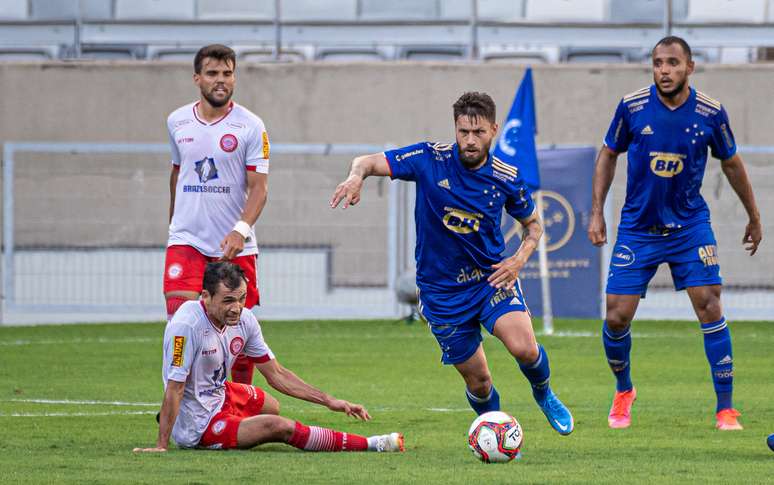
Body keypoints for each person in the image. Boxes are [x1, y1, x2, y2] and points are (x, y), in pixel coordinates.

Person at [330, 92, 574, 436]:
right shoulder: (429, 158)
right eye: (463, 132)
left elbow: (533, 226)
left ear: (493, 129)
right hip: (441, 292)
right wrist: (357, 177)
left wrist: (518, 261)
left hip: (490, 280)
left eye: (478, 132)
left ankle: (544, 393)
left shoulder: (505, 176)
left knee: (524, 348)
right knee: (480, 381)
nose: (470, 140)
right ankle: (497, 432)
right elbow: (366, 161)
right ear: (455, 129)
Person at [589, 36, 762, 431]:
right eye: (657, 63)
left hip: (689, 227)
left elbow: (732, 164)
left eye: (672, 63)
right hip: (638, 228)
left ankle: (725, 409)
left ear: (690, 67)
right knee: (616, 317)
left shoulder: (711, 113)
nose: (663, 70)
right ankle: (623, 390)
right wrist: (596, 211)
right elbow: (607, 155)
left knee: (710, 305)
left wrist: (753, 215)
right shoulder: (632, 106)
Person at [134, 261, 404, 453]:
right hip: (200, 422)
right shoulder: (185, 327)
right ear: (205, 296)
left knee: (271, 406)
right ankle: (372, 443)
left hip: (221, 393)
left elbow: (276, 373)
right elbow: (176, 386)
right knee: (279, 426)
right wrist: (161, 445)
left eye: (241, 298)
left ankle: (228, 420)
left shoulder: (245, 319)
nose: (236, 308)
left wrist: (329, 400)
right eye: (228, 300)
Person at [164, 44, 269, 385]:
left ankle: (235, 405)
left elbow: (259, 188)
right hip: (187, 241)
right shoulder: (176, 121)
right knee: (180, 325)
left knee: (238, 329)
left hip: (234, 246)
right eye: (212, 73)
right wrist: (174, 226)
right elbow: (177, 174)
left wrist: (241, 229)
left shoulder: (251, 126)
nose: (220, 81)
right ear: (197, 78)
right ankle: (181, 405)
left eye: (227, 73)